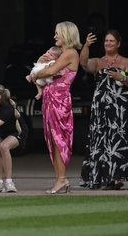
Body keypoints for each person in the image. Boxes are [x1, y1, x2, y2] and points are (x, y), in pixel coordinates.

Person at [31, 21, 81, 194]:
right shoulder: (64, 53)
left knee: (58, 138)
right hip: (50, 99)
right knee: (52, 139)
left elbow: (48, 71)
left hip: (58, 100)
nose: (54, 36)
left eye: (57, 33)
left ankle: (61, 179)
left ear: (66, 34)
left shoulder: (70, 53)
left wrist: (36, 72)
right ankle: (61, 178)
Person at [79, 29, 128, 190]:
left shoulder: (125, 62)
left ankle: (117, 178)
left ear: (118, 44)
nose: (108, 43)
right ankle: (103, 177)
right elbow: (84, 64)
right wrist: (86, 45)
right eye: (106, 41)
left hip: (119, 108)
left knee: (118, 140)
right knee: (101, 139)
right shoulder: (98, 62)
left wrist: (120, 77)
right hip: (100, 107)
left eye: (111, 41)